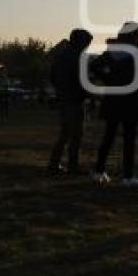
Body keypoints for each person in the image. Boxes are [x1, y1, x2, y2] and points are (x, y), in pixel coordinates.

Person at [90, 22, 138, 187]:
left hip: (113, 99)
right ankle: (127, 175)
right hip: (131, 99)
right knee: (129, 139)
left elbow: (94, 65)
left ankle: (99, 170)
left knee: (109, 136)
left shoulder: (113, 51)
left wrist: (108, 78)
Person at [48, 28, 93, 174]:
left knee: (65, 133)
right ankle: (72, 165)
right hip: (74, 100)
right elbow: (82, 82)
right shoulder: (78, 57)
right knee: (75, 135)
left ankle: (55, 163)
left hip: (64, 98)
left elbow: (53, 77)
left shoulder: (61, 56)